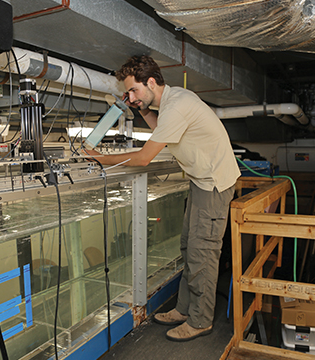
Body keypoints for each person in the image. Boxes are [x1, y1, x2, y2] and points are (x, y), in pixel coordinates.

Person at [84, 55, 240, 341]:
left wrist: (100, 159)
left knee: (202, 252)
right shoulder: (171, 100)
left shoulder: (177, 107)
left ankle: (201, 319)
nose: (130, 96)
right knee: (188, 246)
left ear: (151, 82)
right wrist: (140, 108)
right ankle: (184, 309)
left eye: (134, 91)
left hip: (214, 185)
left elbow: (144, 158)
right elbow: (160, 130)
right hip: (201, 181)